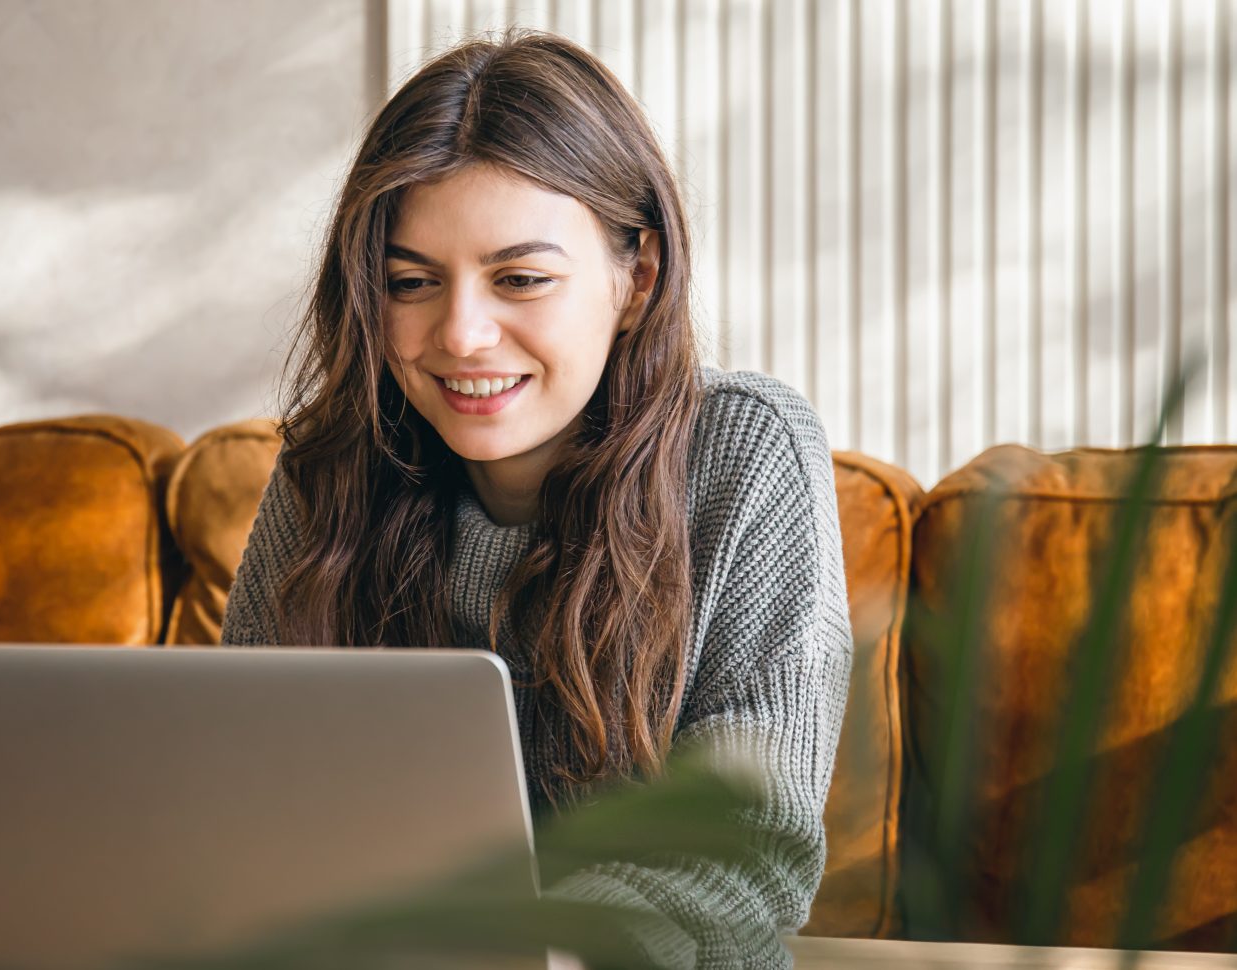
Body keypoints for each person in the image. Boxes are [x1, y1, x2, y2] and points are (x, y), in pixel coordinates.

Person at [221, 29, 852, 969]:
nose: (462, 334)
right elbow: (234, 794)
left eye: (520, 279)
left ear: (634, 279)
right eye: (411, 283)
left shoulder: (745, 451)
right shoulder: (334, 463)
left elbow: (747, 849)